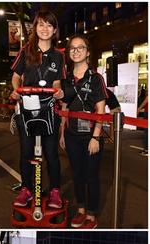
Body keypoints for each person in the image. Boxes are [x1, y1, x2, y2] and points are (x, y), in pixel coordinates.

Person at [10, 11, 65, 210]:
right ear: (35, 27)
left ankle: (55, 191)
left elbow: (57, 81)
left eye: (49, 25)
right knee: (26, 151)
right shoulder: (26, 51)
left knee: (51, 153)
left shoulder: (59, 56)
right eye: (41, 24)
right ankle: (26, 188)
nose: (44, 29)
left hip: (48, 107)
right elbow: (16, 76)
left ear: (55, 30)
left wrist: (58, 92)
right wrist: (16, 90)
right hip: (26, 106)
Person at [60, 35, 107, 229]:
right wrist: (62, 133)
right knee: (77, 174)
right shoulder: (66, 79)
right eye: (72, 48)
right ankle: (80, 211)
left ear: (88, 52)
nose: (76, 50)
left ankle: (92, 215)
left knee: (91, 176)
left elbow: (101, 109)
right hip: (71, 135)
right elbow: (64, 106)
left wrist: (96, 137)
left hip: (91, 136)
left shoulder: (96, 78)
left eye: (80, 48)